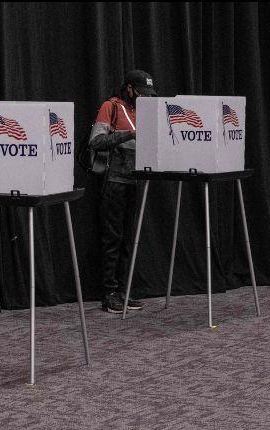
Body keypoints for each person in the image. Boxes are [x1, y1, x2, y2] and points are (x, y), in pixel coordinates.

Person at [88, 70, 157, 313]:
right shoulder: (111, 107)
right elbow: (95, 142)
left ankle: (123, 291)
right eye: (140, 92)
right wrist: (128, 134)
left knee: (129, 238)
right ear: (128, 88)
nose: (143, 97)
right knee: (112, 239)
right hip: (113, 180)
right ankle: (109, 294)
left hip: (135, 180)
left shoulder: (143, 111)